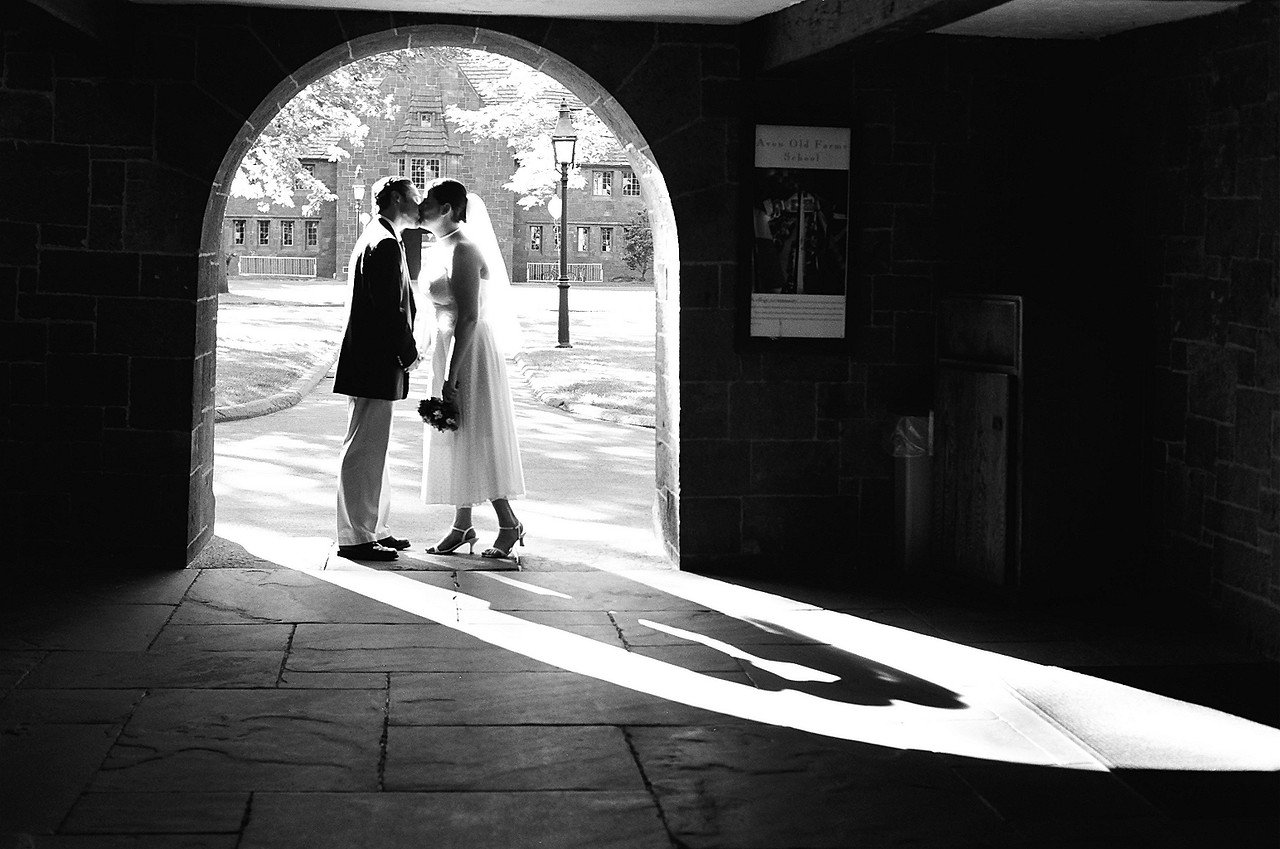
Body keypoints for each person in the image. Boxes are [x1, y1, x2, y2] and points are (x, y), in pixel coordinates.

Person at [416, 178, 527, 563]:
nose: (420, 206)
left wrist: (452, 375)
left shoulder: (463, 248)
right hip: (448, 347)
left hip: (469, 351)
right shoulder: (440, 245)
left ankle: (509, 523)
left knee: (477, 430)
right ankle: (462, 525)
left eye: (427, 200)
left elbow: (469, 317)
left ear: (446, 208)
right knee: (456, 434)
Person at [332, 176, 421, 562]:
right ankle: (355, 536)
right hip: (373, 361)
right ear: (399, 199)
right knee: (364, 449)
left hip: (371, 360)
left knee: (374, 448)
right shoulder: (382, 242)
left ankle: (374, 528)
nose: (419, 205)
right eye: (415, 197)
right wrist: (409, 352)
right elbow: (389, 310)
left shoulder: (382, 235)